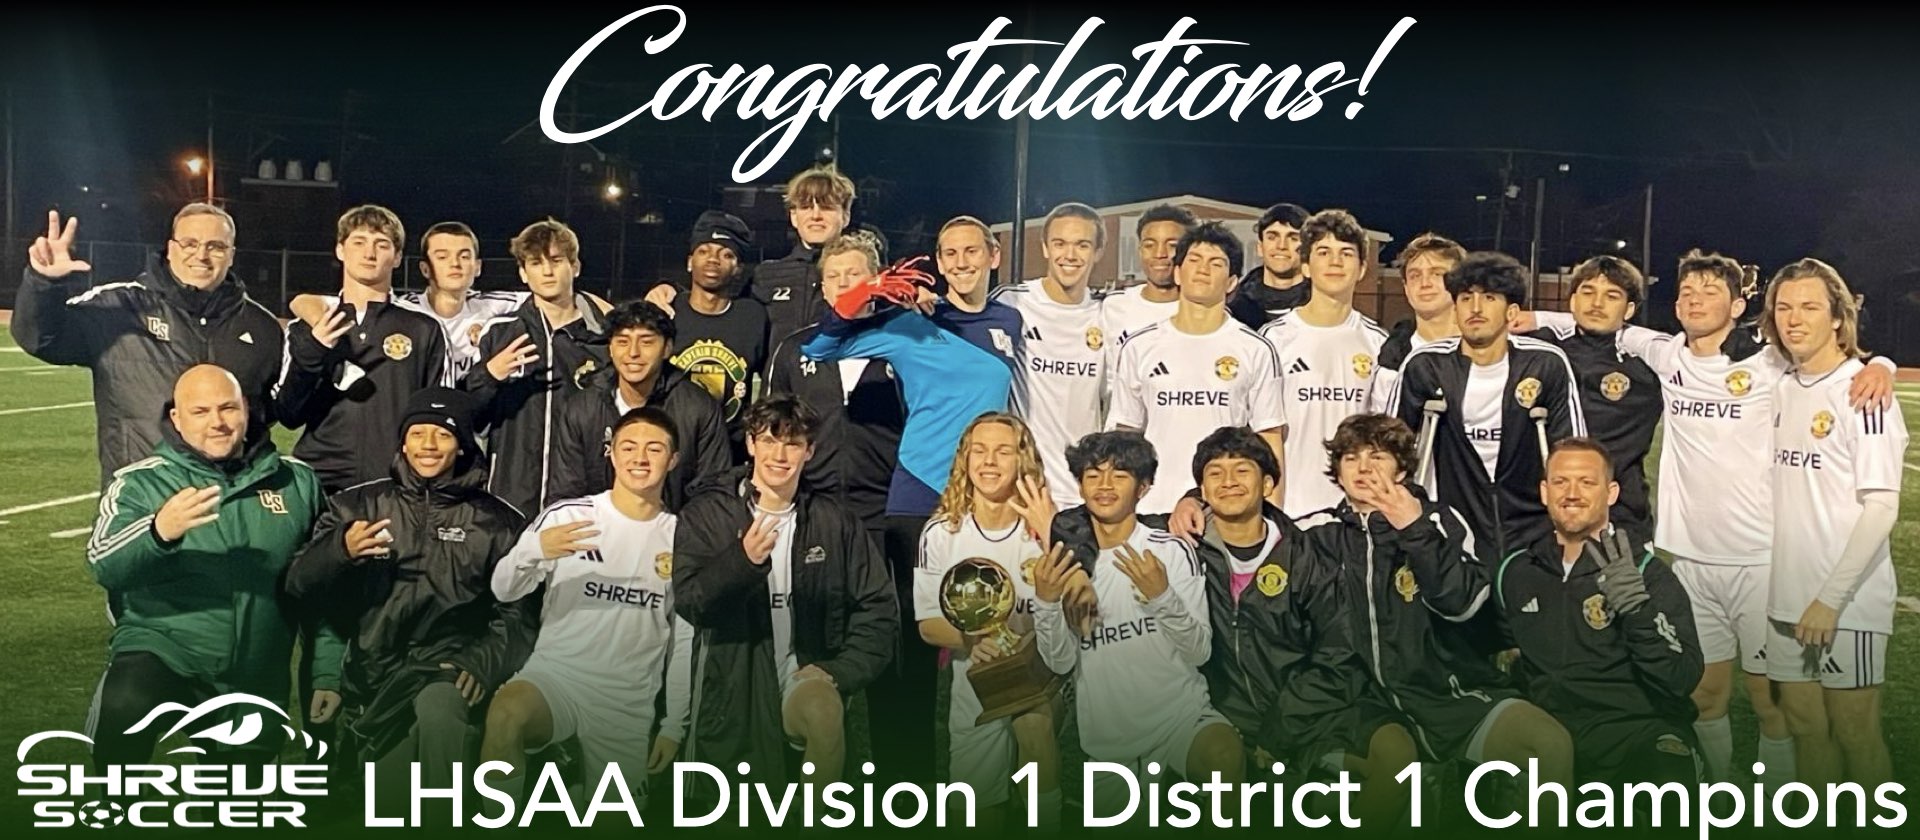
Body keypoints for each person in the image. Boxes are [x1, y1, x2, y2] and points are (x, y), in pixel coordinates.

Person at [1518, 249, 1893, 784]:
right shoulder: (1665, 354)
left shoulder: (1768, 361)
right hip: (1689, 556)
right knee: (1706, 692)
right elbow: (1597, 318)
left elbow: (1831, 356)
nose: (1695, 301)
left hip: (1762, 559)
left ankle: (1777, 798)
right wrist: (1533, 318)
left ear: (1739, 305)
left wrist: (1875, 364)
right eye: (1687, 293)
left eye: (1711, 292)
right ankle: (1719, 796)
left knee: (1773, 700)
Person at [797, 232, 1018, 782]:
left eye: (972, 251)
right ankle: (902, 779)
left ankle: (995, 777)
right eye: (950, 253)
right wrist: (859, 296)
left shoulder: (1009, 321)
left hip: (988, 495)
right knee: (911, 639)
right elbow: (818, 348)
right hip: (919, 495)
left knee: (1001, 628)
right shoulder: (908, 325)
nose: (961, 262)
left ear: (992, 258)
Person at [1157, 426, 1417, 825]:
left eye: (1242, 471)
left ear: (1268, 484)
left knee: (1397, 755)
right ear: (1201, 492)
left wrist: (1281, 727)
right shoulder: (1178, 548)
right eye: (1215, 474)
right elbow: (1097, 521)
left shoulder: (1307, 552)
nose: (1228, 482)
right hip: (1224, 710)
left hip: (1308, 709)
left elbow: (1339, 651)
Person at [84, 365, 337, 769]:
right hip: (165, 650)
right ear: (176, 419)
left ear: (247, 410)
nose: (217, 423)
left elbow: (323, 588)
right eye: (200, 412)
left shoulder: (297, 483)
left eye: (227, 408)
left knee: (235, 812)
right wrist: (158, 531)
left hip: (255, 674)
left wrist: (327, 673)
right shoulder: (142, 483)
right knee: (126, 704)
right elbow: (104, 564)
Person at [1300, 414, 1574, 784]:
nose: (1363, 468)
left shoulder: (1441, 520)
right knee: (1389, 767)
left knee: (1549, 744)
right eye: (1350, 458)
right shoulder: (1315, 533)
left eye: (1377, 457)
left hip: (1447, 693)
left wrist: (1414, 530)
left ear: (1401, 470)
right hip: (1365, 702)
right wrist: (1194, 501)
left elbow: (1461, 603)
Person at [285, 388, 532, 797]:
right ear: (403, 440)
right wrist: (339, 551)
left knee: (439, 717)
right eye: (418, 434)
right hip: (377, 678)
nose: (429, 446)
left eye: (443, 435)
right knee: (392, 804)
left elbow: (519, 612)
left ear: (463, 446)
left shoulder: (498, 522)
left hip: (450, 670)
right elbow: (299, 587)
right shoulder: (356, 506)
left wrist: (481, 661)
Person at [672, 397, 898, 786]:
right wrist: (741, 562)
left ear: (809, 450)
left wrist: (839, 671)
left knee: (825, 713)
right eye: (769, 441)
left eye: (792, 443)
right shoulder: (707, 513)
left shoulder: (835, 521)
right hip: (734, 688)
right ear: (750, 444)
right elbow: (692, 603)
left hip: (804, 677)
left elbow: (878, 609)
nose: (780, 454)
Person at [481, 407, 694, 808]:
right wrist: (534, 550)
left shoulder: (680, 537)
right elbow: (503, 589)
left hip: (626, 702)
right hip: (556, 678)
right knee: (507, 713)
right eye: (628, 447)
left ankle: (574, 774)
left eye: (654, 449)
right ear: (610, 453)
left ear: (674, 459)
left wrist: (673, 726)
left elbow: (682, 641)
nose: (640, 458)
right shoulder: (571, 516)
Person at [1032, 431, 1242, 814]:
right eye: (1093, 475)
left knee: (1223, 754)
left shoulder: (1171, 550)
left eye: (1120, 474)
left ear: (1144, 488)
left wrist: (1162, 596)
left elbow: (1199, 651)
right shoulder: (1063, 566)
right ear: (1079, 485)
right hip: (1109, 742)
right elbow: (1059, 663)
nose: (1105, 485)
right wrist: (1046, 602)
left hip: (1181, 719)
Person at [1763, 258, 1906, 789]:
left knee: (1855, 733)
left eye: (1809, 307)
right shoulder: (1780, 384)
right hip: (1784, 598)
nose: (1794, 319)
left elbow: (1881, 507)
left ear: (1839, 318)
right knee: (1805, 729)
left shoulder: (1864, 394)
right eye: (1783, 307)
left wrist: (1831, 598)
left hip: (1846, 605)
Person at [14, 207, 283, 487]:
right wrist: (44, 283)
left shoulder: (261, 326)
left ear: (231, 254)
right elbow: (42, 339)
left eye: (215, 246)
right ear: (171, 248)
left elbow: (273, 413)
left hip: (232, 499)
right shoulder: (121, 308)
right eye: (190, 243)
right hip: (145, 496)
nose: (201, 255)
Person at [1494, 438, 1703, 787]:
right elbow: (1495, 653)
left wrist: (1638, 611)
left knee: (1670, 788)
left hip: (1635, 732)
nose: (1572, 493)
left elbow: (1681, 677)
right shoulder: (1516, 571)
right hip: (1551, 734)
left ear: (1612, 492)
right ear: (1544, 492)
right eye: (1561, 482)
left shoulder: (1647, 573)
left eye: (1587, 482)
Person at [914, 414, 1063, 827]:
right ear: (965, 460)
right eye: (979, 451)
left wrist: (1051, 533)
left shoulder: (1046, 528)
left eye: (1003, 451)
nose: (989, 461)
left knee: (1032, 724)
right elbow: (928, 624)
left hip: (1043, 674)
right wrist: (969, 640)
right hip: (976, 680)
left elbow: (1080, 604)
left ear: (1023, 460)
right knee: (982, 815)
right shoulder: (942, 533)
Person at [1386, 251, 1585, 555]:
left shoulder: (1545, 364)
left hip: (1531, 527)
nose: (1475, 308)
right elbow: (1391, 447)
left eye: (1489, 298)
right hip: (1453, 522)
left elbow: (1572, 450)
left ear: (1511, 311)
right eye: (1466, 298)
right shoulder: (1425, 366)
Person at [1108, 222, 1285, 514]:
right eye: (1194, 260)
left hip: (1226, 513)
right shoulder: (1140, 346)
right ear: (1177, 273)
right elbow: (1125, 436)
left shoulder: (1256, 349)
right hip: (1153, 510)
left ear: (1231, 283)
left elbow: (1270, 438)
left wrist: (1275, 521)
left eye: (1216, 263)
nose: (1203, 269)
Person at [276, 205, 450, 492]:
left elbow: (435, 413)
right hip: (320, 479)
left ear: (396, 258)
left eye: (382, 245)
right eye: (359, 242)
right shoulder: (307, 324)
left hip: (395, 482)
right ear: (340, 250)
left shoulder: (423, 328)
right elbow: (289, 414)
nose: (369, 253)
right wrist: (315, 350)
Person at [1513, 256, 1662, 547]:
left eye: (1612, 296)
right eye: (1588, 292)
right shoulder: (1540, 350)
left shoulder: (1647, 362)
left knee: (1624, 592)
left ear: (1629, 309)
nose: (1597, 303)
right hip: (1543, 512)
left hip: (1620, 514)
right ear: (1572, 301)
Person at [467, 219, 612, 517]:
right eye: (536, 262)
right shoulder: (499, 332)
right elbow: (472, 414)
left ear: (575, 267)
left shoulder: (603, 338)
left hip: (582, 495)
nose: (547, 271)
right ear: (523, 272)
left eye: (556, 261)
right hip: (511, 493)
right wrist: (490, 376)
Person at [1259, 209, 1391, 517]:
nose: (1335, 262)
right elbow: (1264, 435)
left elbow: (1383, 436)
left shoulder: (1378, 343)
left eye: (1346, 253)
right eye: (1323, 252)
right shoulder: (1273, 340)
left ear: (1361, 269)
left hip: (1357, 512)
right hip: (1291, 509)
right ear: (1305, 266)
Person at [551, 301, 731, 511]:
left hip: (672, 536)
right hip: (596, 535)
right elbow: (565, 494)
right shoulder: (581, 408)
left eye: (646, 342)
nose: (633, 353)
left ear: (667, 348)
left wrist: (676, 536)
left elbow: (713, 492)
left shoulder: (699, 408)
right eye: (622, 341)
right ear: (610, 348)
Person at [991, 202, 1111, 508]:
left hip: (1082, 488)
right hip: (1020, 488)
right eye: (1060, 244)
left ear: (1098, 252)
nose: (1069, 255)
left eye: (1082, 245)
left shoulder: (1109, 315)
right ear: (1045, 248)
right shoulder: (1011, 302)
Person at [649, 210, 770, 460]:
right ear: (689, 261)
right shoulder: (666, 312)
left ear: (738, 268)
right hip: (669, 454)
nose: (713, 260)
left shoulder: (753, 318)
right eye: (704, 251)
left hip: (730, 457)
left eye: (726, 254)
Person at [395, 222, 526, 382]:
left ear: (477, 267)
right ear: (425, 269)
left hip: (476, 403)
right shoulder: (404, 310)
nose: (455, 264)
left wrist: (490, 325)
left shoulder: (489, 305)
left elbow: (549, 299)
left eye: (464, 256)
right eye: (442, 257)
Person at [747, 166, 857, 350]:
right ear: (794, 217)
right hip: (779, 378)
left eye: (826, 207)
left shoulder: (864, 276)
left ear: (845, 216)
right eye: (806, 207)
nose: (815, 216)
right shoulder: (766, 275)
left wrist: (922, 287)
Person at [1369, 233, 1465, 412]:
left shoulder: (1487, 350)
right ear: (1405, 288)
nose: (1425, 283)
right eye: (1415, 276)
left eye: (1437, 273)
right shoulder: (1391, 361)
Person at [1101, 204, 1196, 349]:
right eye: (1149, 245)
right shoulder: (1113, 305)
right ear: (1140, 250)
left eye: (1172, 245)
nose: (1159, 254)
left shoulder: (1203, 311)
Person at [1228, 203, 1311, 329]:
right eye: (1272, 237)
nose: (1281, 246)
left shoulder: (1324, 305)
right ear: (1260, 248)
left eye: (1293, 238)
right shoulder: (1232, 308)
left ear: (1307, 249)